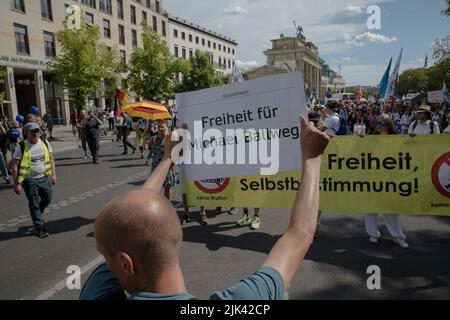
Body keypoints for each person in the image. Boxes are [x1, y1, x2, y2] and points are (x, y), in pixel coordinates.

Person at [80, 117, 330, 300]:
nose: (106, 262)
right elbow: (300, 234)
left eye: (106, 257)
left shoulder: (96, 294)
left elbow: (135, 218)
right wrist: (312, 160)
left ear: (126, 264)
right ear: (174, 240)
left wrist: (168, 158)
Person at [364, 115, 409, 249]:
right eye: (377, 122)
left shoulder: (397, 140)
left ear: (389, 124)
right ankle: (372, 233)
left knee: (391, 209)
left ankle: (397, 236)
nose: (380, 124)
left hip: (390, 178)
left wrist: (413, 138)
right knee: (371, 207)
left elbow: (404, 154)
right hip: (373, 177)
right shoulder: (370, 139)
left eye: (383, 122)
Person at [11, 122, 56, 238]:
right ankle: (40, 228)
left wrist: (53, 175)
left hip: (43, 177)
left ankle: (37, 215)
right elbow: (14, 165)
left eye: (37, 131)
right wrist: (17, 184)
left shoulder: (45, 143)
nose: (35, 133)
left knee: (47, 198)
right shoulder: (21, 146)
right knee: (34, 204)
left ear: (40, 132)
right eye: (32, 131)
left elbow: (51, 159)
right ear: (27, 133)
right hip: (29, 180)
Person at [147, 122, 176, 200]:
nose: (160, 129)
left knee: (167, 187)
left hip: (166, 166)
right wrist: (149, 142)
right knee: (155, 187)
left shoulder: (169, 138)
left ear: (167, 128)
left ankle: (167, 204)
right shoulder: (154, 138)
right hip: (156, 165)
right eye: (159, 127)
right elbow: (150, 149)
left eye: (162, 127)